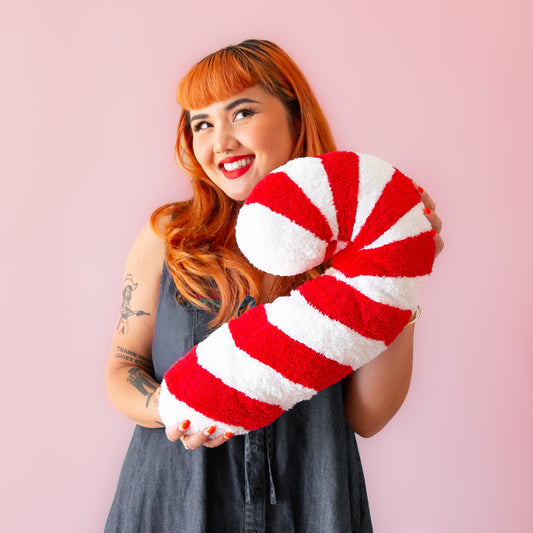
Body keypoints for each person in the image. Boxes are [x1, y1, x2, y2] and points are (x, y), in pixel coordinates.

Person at [105, 39, 444, 532]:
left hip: (311, 499)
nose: (220, 141)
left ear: (294, 116)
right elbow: (122, 368)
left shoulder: (350, 244)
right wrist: (178, 407)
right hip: (176, 501)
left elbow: (366, 417)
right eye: (202, 124)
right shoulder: (168, 237)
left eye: (241, 112)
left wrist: (396, 281)